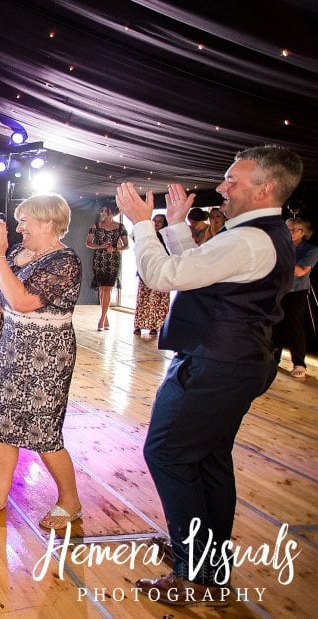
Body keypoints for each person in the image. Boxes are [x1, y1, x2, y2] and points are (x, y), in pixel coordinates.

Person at [115, 145, 302, 606]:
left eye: (233, 180)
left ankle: (193, 571)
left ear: (266, 188)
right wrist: (177, 225)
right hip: (236, 361)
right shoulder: (256, 235)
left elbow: (162, 276)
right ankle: (209, 565)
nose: (222, 187)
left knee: (168, 455)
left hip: (216, 365)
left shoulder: (248, 239)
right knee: (207, 460)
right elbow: (198, 273)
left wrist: (142, 222)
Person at [0, 196, 83, 531]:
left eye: (24, 220)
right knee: (3, 426)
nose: (19, 228)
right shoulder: (18, 253)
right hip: (13, 347)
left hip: (47, 356)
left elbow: (21, 300)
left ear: (48, 222)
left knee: (43, 432)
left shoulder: (65, 262)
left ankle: (70, 501)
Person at [273, 218, 317, 379]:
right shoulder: (279, 246)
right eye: (288, 228)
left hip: (296, 292)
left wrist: (280, 257)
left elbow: (300, 271)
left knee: (295, 327)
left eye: (294, 229)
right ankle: (273, 359)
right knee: (274, 326)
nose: (290, 232)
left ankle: (299, 363)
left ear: (303, 232)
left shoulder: (310, 249)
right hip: (278, 290)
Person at [85, 204, 128, 331]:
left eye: (105, 210)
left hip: (113, 259)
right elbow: (88, 243)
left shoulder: (120, 227)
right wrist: (101, 246)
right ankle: (105, 317)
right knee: (102, 288)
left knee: (108, 289)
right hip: (99, 259)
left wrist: (114, 248)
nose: (102, 213)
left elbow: (126, 245)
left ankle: (102, 319)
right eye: (102, 211)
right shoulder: (96, 226)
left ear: (112, 212)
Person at [132, 214, 171, 336]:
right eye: (155, 221)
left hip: (163, 271)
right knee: (143, 298)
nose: (157, 223)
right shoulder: (147, 236)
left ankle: (155, 326)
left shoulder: (167, 236)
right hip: (146, 270)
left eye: (160, 221)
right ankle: (139, 325)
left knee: (159, 300)